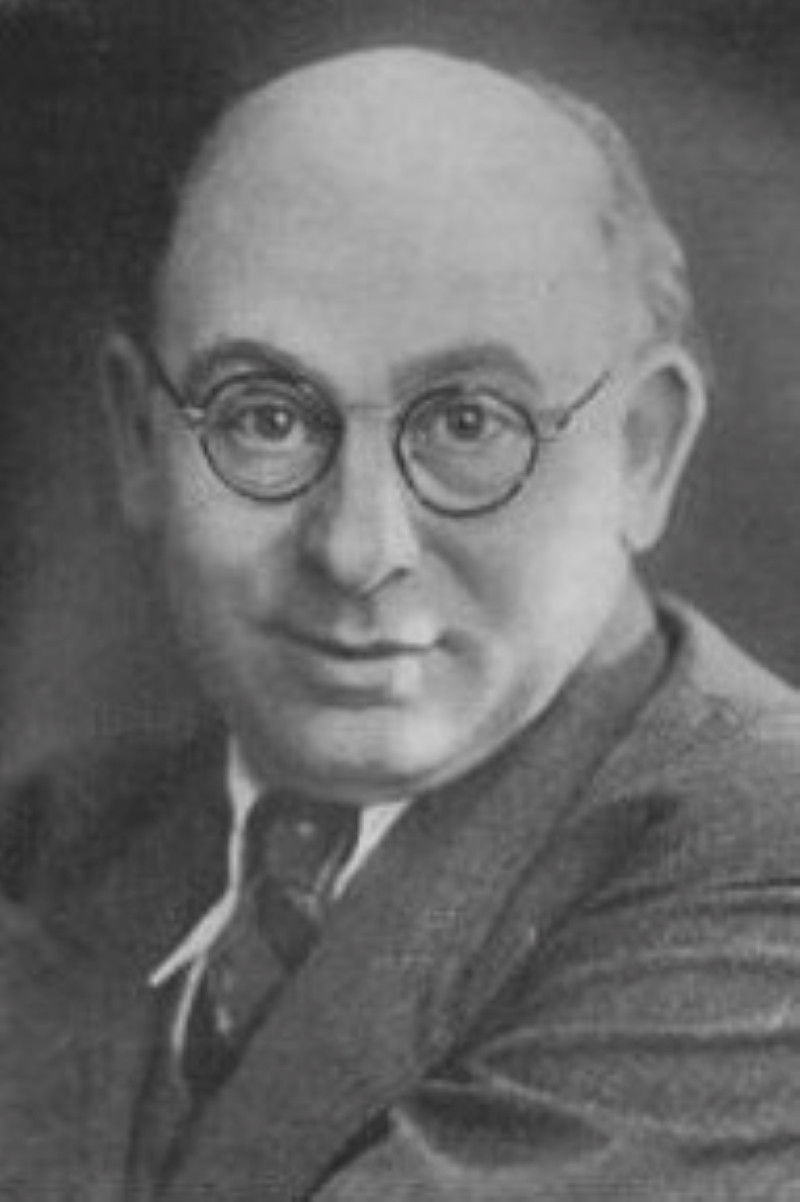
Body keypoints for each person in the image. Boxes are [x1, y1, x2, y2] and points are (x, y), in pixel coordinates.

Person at [3, 43, 800, 1202]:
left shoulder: (768, 860)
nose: (357, 547)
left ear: (640, 450)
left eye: (468, 423)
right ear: (139, 438)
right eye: (264, 416)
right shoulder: (57, 837)